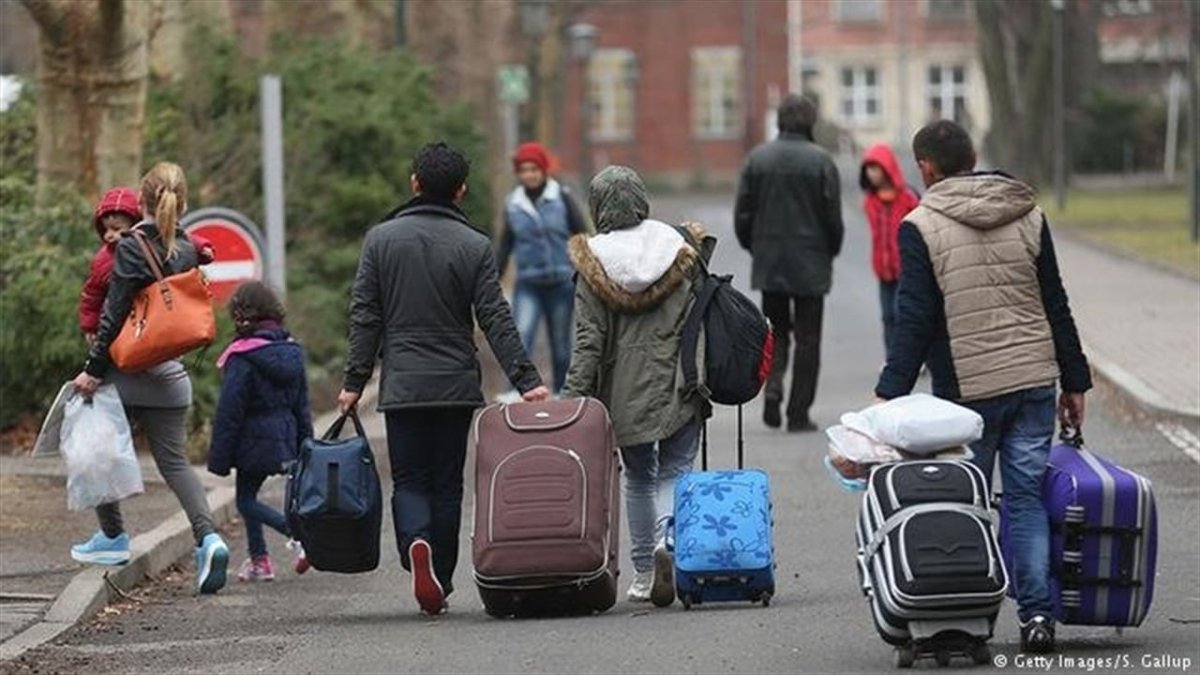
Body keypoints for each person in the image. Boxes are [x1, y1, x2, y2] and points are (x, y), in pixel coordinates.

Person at [874, 120, 1092, 654]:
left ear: (926, 167)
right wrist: (1075, 380)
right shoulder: (1027, 211)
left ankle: (968, 618)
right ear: (973, 157)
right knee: (1024, 502)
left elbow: (916, 318)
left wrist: (890, 393)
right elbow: (1055, 301)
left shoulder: (919, 224)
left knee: (964, 506)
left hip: (967, 392)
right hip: (1033, 378)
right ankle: (1038, 619)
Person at [338, 142, 549, 615]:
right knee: (448, 483)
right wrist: (526, 377)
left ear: (414, 182)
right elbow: (495, 316)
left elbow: (365, 315)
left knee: (409, 478)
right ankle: (444, 579)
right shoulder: (474, 245)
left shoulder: (380, 240)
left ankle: (416, 546)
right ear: (461, 189)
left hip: (404, 383)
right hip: (454, 383)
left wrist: (354, 380)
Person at [71, 162, 231, 595]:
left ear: (140, 200)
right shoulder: (186, 246)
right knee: (176, 465)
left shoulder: (130, 246)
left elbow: (115, 313)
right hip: (172, 377)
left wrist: (92, 371)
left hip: (125, 374)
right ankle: (210, 539)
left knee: (95, 450)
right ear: (184, 202)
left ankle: (112, 537)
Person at [562, 165, 714, 608]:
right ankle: (671, 543)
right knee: (676, 469)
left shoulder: (593, 263)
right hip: (683, 379)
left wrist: (571, 402)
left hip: (623, 391)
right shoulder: (680, 248)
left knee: (640, 478)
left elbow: (589, 343)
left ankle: (646, 572)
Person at [735, 94, 844, 432]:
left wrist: (756, 247)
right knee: (809, 339)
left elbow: (743, 214)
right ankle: (798, 412)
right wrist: (829, 251)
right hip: (811, 261)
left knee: (776, 332)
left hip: (770, 261)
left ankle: (773, 388)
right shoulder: (822, 162)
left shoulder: (757, 159)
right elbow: (832, 219)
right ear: (810, 122)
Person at [207, 281, 312, 582]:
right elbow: (302, 405)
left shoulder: (242, 356)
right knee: (247, 494)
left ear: (241, 314)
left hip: (251, 438)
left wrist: (219, 457)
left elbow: (230, 410)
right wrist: (305, 445)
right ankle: (259, 561)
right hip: (285, 435)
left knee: (245, 501)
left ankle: (298, 536)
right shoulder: (291, 351)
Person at [496, 142, 589, 395]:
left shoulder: (562, 197)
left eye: (534, 169)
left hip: (561, 282)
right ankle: (515, 390)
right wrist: (493, 279)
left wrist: (587, 271)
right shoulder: (513, 203)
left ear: (543, 170)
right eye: (523, 170)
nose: (529, 175)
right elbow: (506, 244)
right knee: (522, 336)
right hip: (529, 283)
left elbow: (581, 234)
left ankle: (562, 391)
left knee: (560, 343)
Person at [78, 187, 214, 343]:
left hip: (155, 319)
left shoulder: (150, 244)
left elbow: (179, 240)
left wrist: (202, 248)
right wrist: (90, 326)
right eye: (105, 230)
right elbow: (92, 295)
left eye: (116, 229)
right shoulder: (103, 260)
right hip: (121, 327)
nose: (109, 235)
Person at [859, 144, 921, 354]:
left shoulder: (908, 198)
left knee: (904, 314)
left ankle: (912, 355)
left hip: (906, 267)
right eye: (868, 169)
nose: (871, 174)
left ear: (887, 168)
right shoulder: (870, 202)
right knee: (887, 316)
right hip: (883, 269)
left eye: (875, 168)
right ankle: (892, 357)